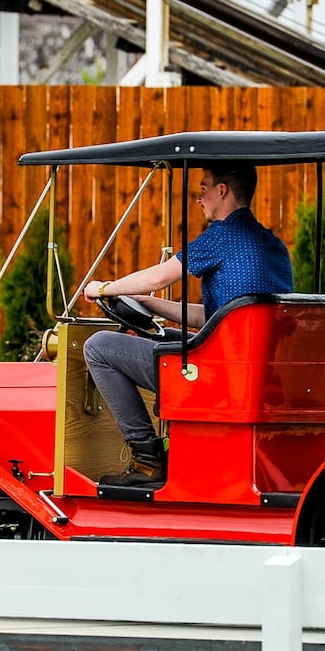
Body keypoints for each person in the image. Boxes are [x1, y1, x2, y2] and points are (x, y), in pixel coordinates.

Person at [80, 162, 293, 489]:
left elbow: (159, 276)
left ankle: (146, 459)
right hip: (252, 366)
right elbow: (215, 317)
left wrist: (104, 288)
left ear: (222, 191)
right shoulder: (273, 245)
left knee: (99, 347)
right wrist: (153, 304)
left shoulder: (222, 236)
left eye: (204, 188)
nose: (200, 198)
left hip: (218, 374)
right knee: (163, 334)